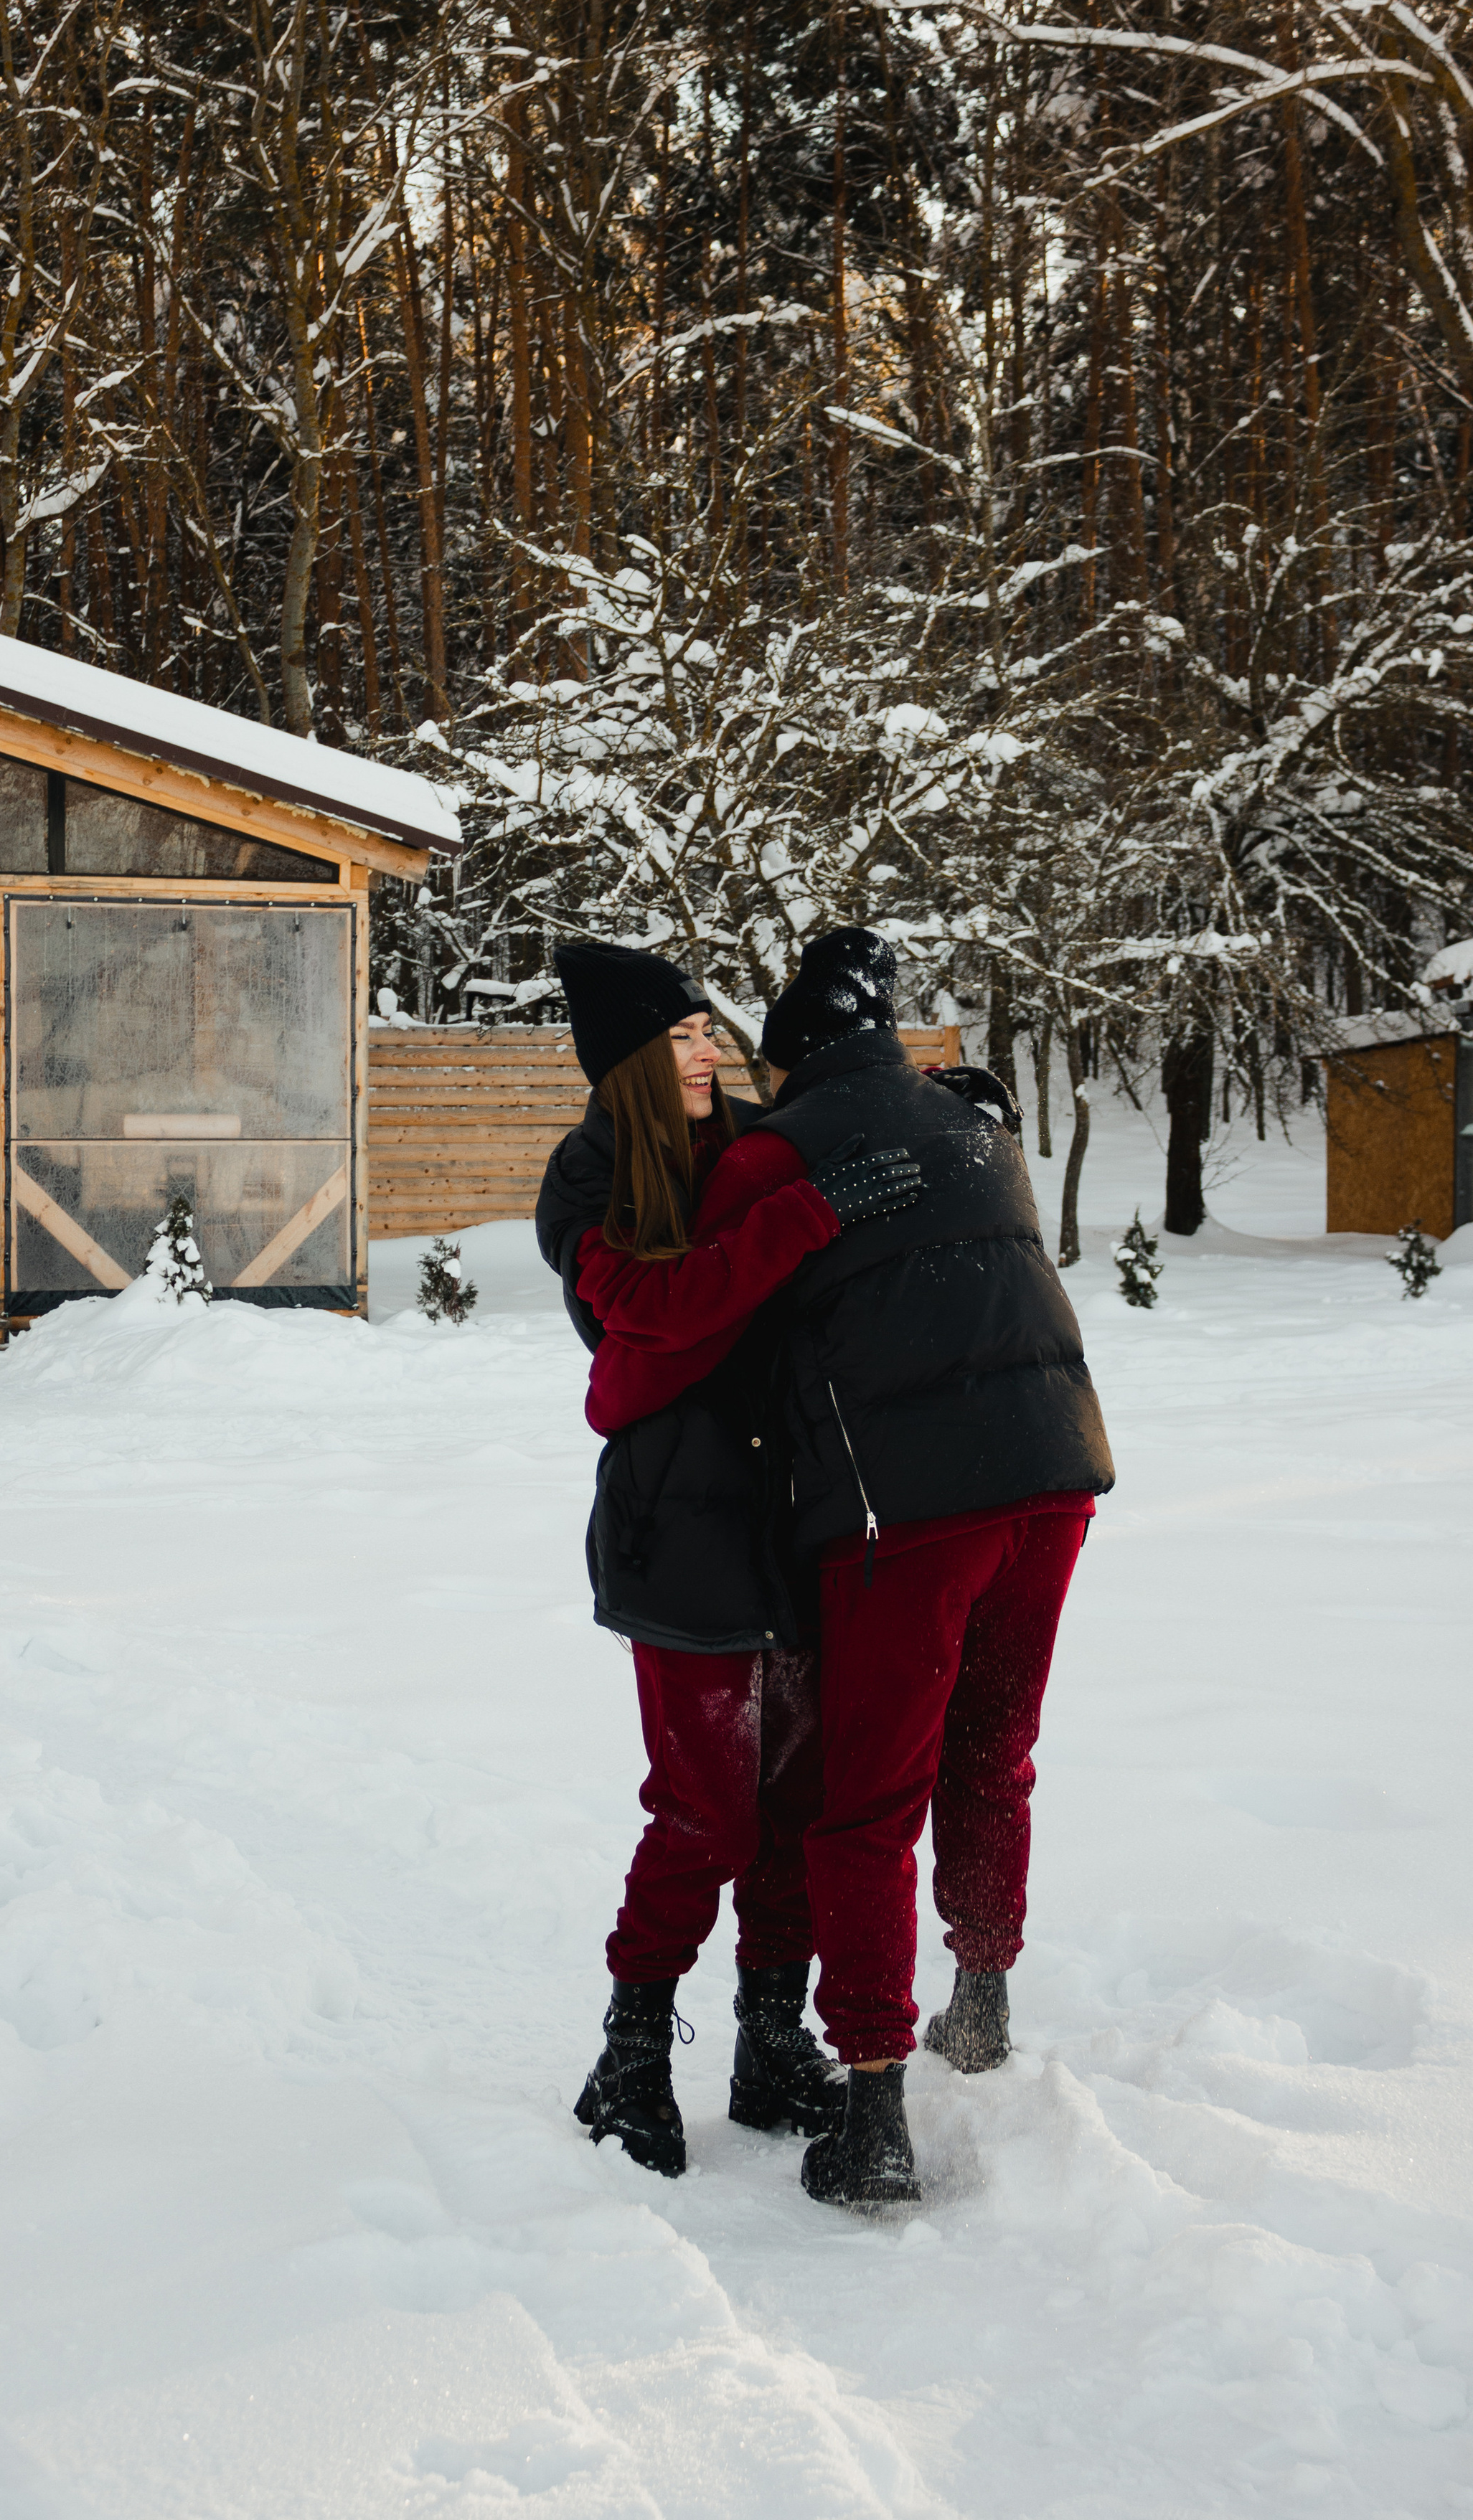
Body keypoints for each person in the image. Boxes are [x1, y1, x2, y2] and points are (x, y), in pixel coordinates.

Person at [654, 928, 1115, 2209]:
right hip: (1057, 1476)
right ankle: (980, 1995)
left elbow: (715, 1328)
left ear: (792, 1057)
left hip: (910, 1513)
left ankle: (872, 2109)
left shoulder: (775, 1152)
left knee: (867, 1799)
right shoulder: (971, 1127)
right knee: (993, 1748)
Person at [535, 939, 923, 2177]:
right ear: (631, 1061)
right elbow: (655, 1319)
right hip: (680, 1529)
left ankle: (768, 2046)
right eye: (684, 1035)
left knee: (798, 1808)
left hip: (795, 1514)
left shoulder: (761, 1140)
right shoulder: (589, 1177)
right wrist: (802, 1221)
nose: (712, 1050)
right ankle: (633, 2053)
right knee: (705, 1813)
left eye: (713, 1030)